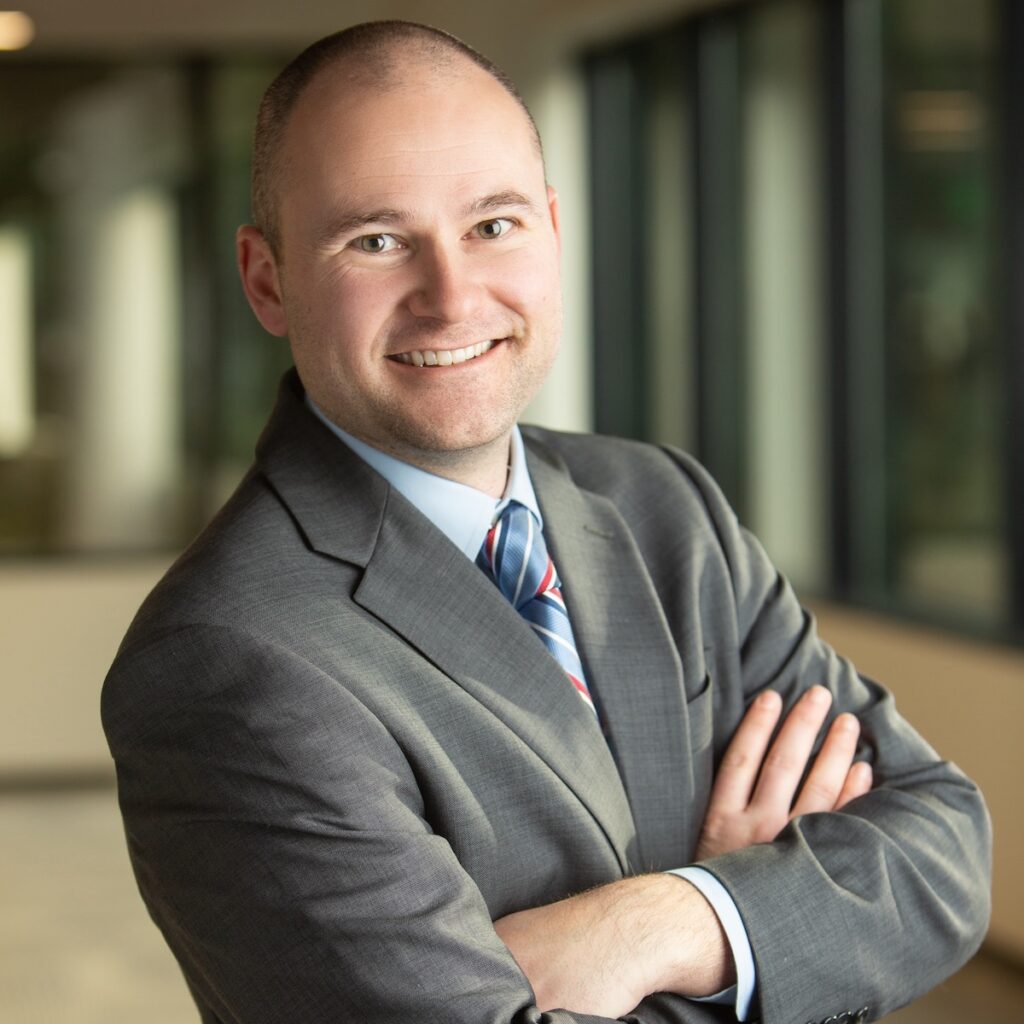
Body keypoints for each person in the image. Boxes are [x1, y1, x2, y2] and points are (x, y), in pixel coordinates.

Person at [101, 20, 991, 1024]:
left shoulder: (664, 506)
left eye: (493, 224)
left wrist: (668, 919)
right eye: (377, 241)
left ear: (553, 231)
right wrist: (784, 929)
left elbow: (942, 846)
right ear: (267, 278)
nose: (451, 295)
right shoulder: (226, 660)